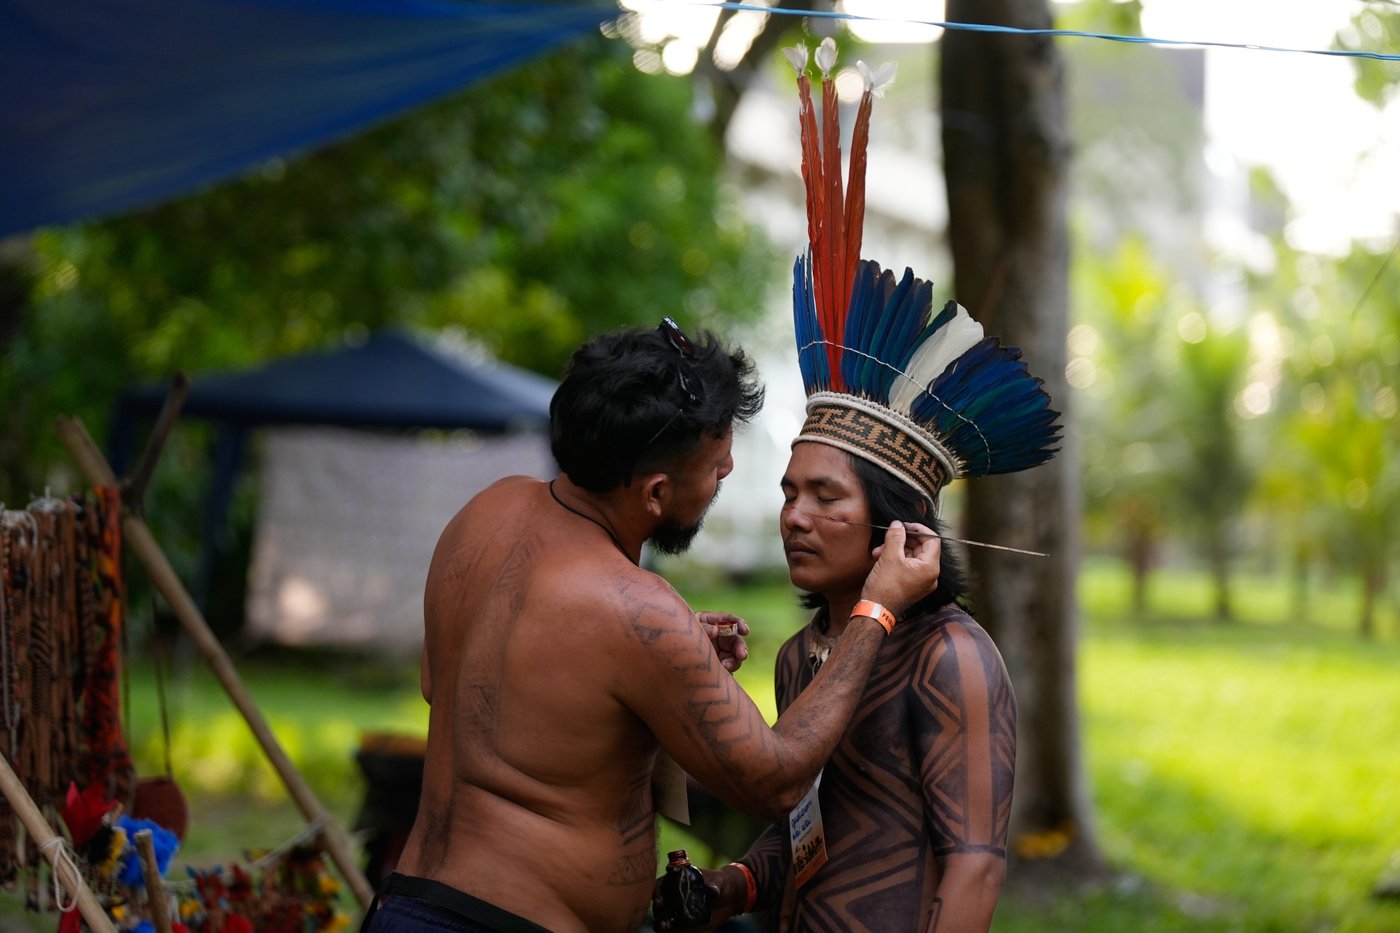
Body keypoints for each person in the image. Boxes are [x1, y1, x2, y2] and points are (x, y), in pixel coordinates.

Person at [660, 40, 1062, 932]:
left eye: (826, 498)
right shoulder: (805, 658)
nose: (794, 516)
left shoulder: (950, 660)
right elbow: (809, 828)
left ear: (896, 524)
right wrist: (735, 883)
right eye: (789, 492)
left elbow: (975, 874)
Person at [363, 317, 944, 933]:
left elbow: (445, 681)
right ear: (655, 494)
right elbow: (774, 783)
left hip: (406, 904)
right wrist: (875, 609)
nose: (725, 473)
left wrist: (635, 669)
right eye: (716, 468)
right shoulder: (636, 612)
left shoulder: (486, 513)